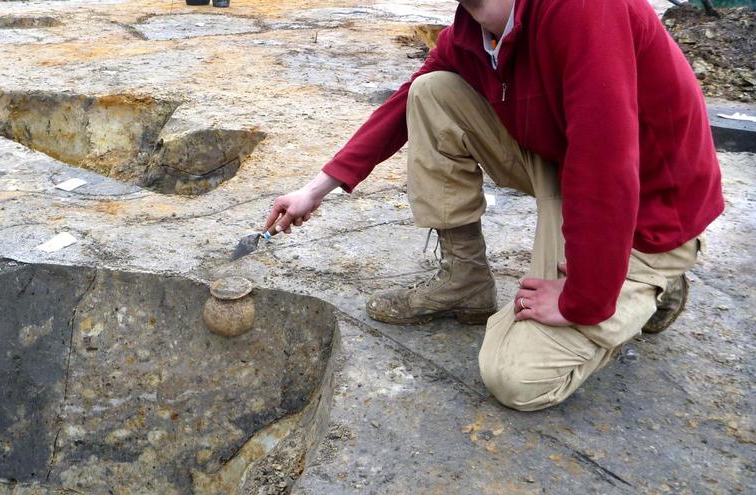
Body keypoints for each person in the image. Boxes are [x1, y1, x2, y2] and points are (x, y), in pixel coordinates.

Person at [262, 0, 724, 411]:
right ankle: (466, 282)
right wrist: (315, 189)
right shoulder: (472, 28)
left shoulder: (584, 8)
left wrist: (583, 300)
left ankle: (659, 275)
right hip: (563, 164)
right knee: (430, 93)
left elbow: (605, 163)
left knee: (516, 379)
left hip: (649, 206)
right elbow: (405, 102)